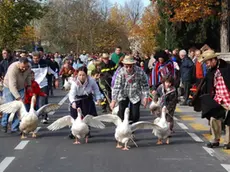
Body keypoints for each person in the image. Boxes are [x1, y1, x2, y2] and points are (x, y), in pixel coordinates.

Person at [193, 50, 230, 150]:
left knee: (228, 122)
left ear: (214, 60)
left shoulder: (226, 68)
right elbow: (207, 86)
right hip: (218, 98)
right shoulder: (210, 72)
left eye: (207, 62)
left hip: (228, 98)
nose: (206, 64)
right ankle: (215, 139)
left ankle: (228, 142)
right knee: (214, 118)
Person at [110, 55, 149, 123]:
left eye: (130, 66)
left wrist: (146, 97)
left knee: (135, 115)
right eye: (126, 66)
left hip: (135, 94)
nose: (128, 68)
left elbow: (145, 85)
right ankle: (122, 125)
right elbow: (116, 87)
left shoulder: (140, 72)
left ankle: (131, 128)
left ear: (134, 64)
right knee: (122, 112)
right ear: (124, 65)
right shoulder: (121, 72)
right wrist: (113, 100)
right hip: (123, 94)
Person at [68, 66, 101, 139]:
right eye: (80, 75)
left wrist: (98, 98)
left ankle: (87, 131)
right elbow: (71, 95)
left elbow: (96, 90)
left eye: (83, 75)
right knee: (75, 116)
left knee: (87, 115)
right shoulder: (74, 83)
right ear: (77, 75)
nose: (81, 77)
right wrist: (73, 102)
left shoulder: (91, 80)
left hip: (87, 99)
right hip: (77, 100)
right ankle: (73, 132)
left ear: (86, 75)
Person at [1, 57, 31, 133]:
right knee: (10, 106)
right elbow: (12, 86)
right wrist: (18, 98)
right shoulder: (12, 69)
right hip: (9, 87)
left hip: (21, 87)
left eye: (26, 67)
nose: (24, 69)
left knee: (20, 108)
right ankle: (4, 123)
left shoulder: (28, 67)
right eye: (22, 67)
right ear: (19, 64)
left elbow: (28, 76)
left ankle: (15, 127)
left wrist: (29, 85)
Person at [31, 51, 59, 124]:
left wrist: (56, 80)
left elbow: (54, 72)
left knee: (42, 102)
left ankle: (44, 117)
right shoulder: (30, 65)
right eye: (34, 58)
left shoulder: (45, 64)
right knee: (34, 102)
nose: (35, 60)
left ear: (40, 58)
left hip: (43, 85)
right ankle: (35, 116)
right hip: (33, 86)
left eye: (37, 58)